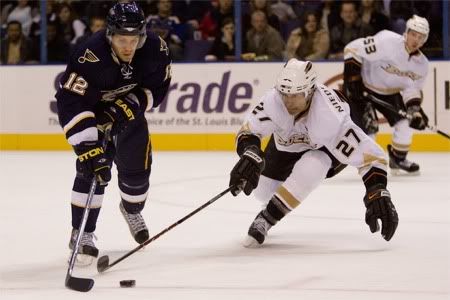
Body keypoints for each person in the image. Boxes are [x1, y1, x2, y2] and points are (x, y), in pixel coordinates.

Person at [228, 58, 398, 247]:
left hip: (323, 148)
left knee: (313, 166)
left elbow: (371, 157)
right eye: (285, 94)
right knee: (262, 191)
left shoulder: (330, 117)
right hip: (287, 146)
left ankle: (266, 219)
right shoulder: (272, 101)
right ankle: (272, 202)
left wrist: (377, 191)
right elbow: (248, 132)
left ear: (310, 92)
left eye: (296, 95)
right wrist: (250, 153)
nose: (288, 101)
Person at [55, 1, 172, 264]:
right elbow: (70, 100)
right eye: (122, 39)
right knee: (92, 168)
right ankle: (82, 232)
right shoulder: (88, 55)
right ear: (110, 35)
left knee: (138, 175)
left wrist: (128, 106)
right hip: (93, 115)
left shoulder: (155, 49)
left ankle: (131, 209)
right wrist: (87, 146)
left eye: (134, 39)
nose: (128, 47)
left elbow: (159, 88)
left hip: (130, 114)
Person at [343, 15, 429, 175]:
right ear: (406, 33)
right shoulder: (386, 41)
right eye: (413, 34)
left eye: (420, 36)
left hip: (390, 93)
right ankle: (370, 162)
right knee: (370, 129)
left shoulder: (422, 65)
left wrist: (414, 109)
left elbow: (412, 89)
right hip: (363, 88)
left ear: (425, 40)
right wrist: (353, 81)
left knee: (406, 122)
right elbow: (352, 48)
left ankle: (398, 158)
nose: (415, 39)